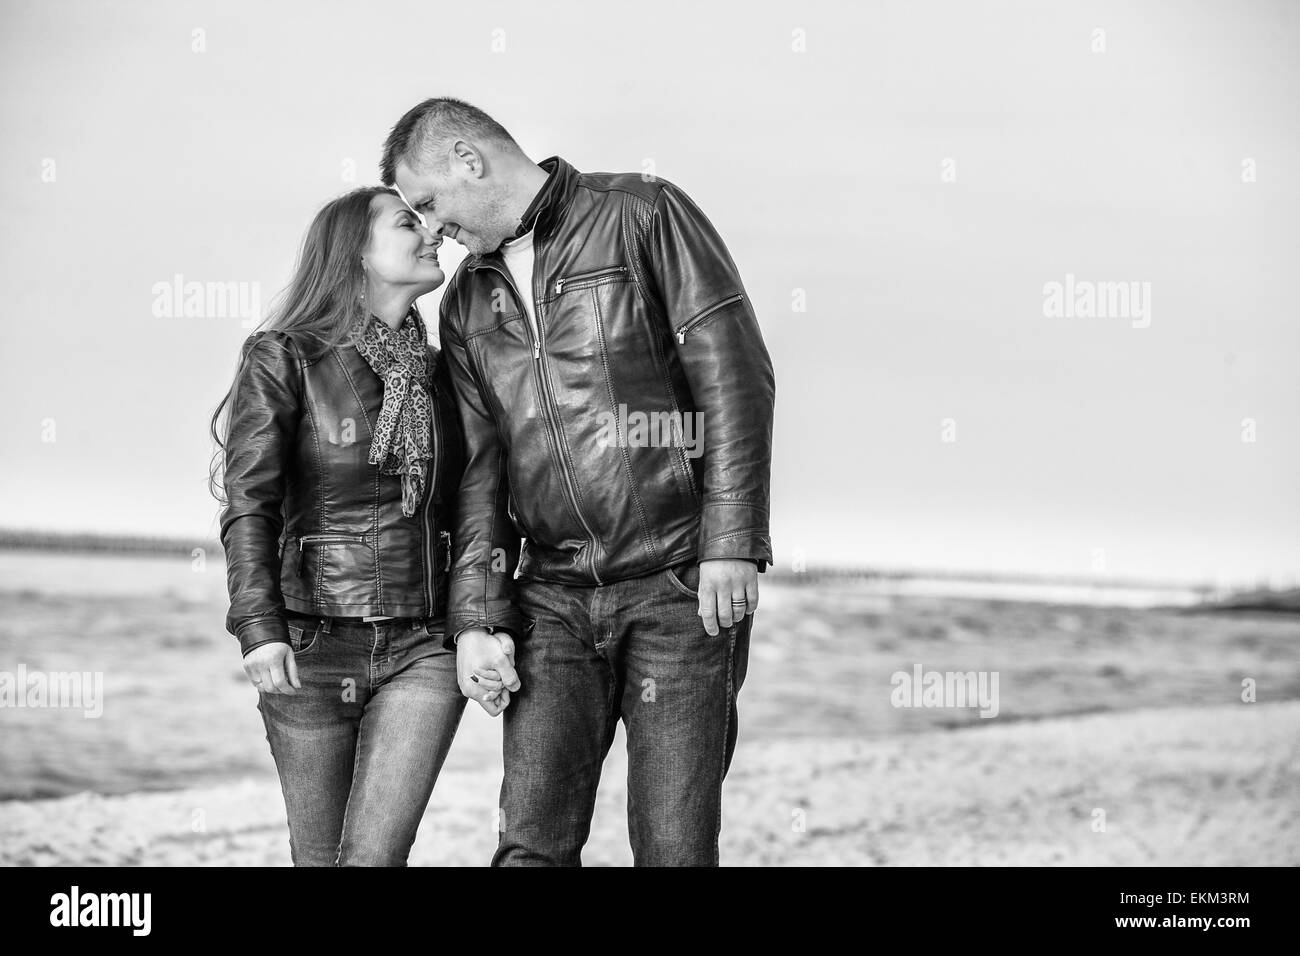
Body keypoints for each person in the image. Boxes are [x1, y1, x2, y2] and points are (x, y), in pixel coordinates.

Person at [381, 98, 776, 866]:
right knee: (529, 843)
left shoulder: (641, 214)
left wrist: (731, 541)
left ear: (469, 159)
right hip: (552, 599)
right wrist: (476, 620)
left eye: (427, 203)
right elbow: (481, 474)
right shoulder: (468, 301)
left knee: (673, 845)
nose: (429, 228)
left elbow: (732, 376)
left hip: (680, 584)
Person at [211, 186, 492, 866]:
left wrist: (482, 621)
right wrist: (257, 625)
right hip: (311, 641)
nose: (433, 236)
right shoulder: (284, 356)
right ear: (354, 254)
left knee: (372, 858)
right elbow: (251, 500)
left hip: (424, 643)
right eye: (408, 224)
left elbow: (479, 501)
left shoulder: (449, 372)